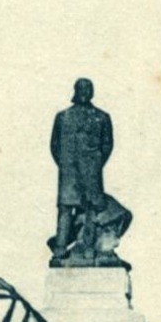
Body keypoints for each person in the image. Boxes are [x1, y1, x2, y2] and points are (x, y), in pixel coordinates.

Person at [49, 78, 131, 266]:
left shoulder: (102, 117)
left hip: (91, 171)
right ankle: (60, 249)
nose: (85, 92)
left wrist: (95, 164)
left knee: (90, 210)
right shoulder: (62, 117)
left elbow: (107, 144)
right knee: (65, 209)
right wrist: (65, 164)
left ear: (92, 92)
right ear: (75, 91)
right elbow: (54, 145)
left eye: (88, 89)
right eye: (81, 89)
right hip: (68, 172)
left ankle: (88, 249)